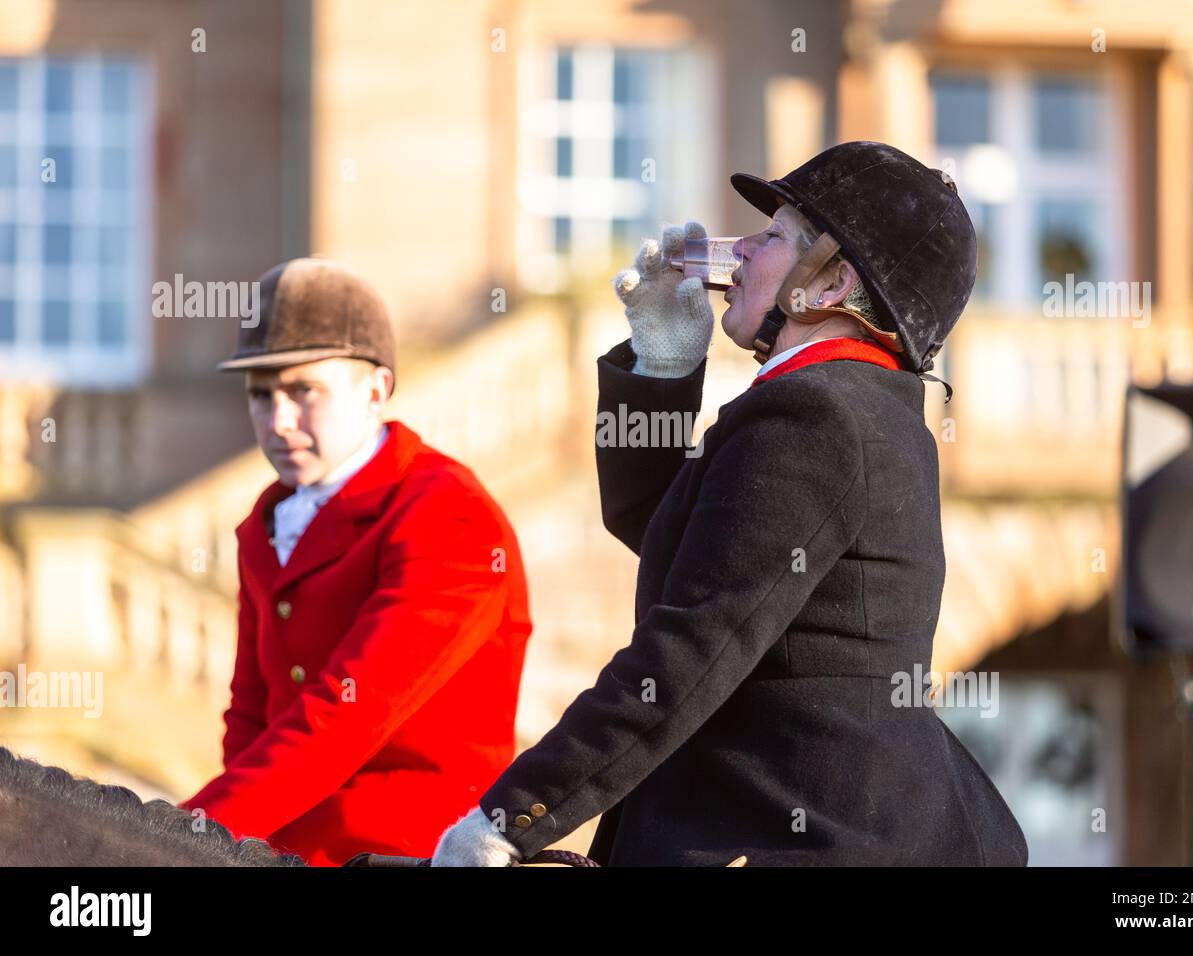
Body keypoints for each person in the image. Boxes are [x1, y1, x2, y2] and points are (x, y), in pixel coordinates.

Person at [430, 141, 1027, 866]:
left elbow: (688, 649)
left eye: (773, 237)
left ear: (832, 282)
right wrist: (662, 364)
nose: (739, 250)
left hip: (791, 833)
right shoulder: (844, 404)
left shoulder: (813, 416)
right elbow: (668, 538)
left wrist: (511, 817)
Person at [178, 257, 532, 866]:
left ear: (376, 390)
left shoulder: (448, 513)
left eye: (303, 390)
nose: (278, 420)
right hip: (280, 849)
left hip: (410, 853)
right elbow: (250, 715)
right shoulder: (267, 518)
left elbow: (346, 715)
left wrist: (185, 836)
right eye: (260, 395)